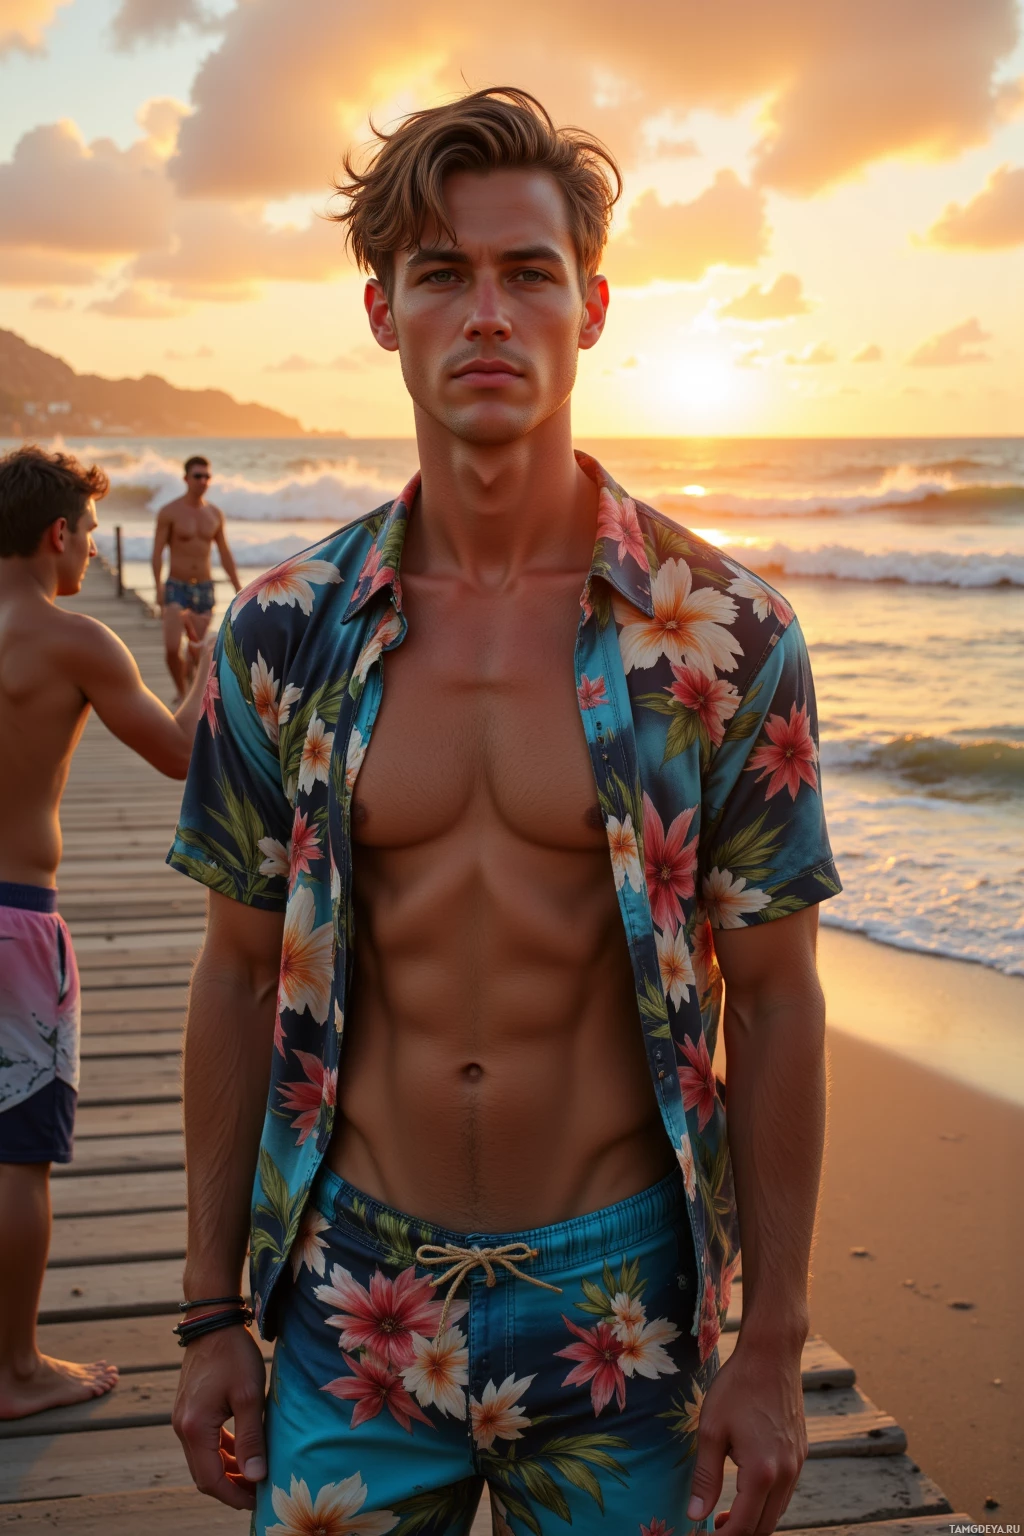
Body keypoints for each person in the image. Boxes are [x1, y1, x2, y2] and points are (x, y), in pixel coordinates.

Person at [169, 88, 840, 1533]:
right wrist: (208, 1311)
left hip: (622, 1306)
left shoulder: (718, 637)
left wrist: (774, 1342)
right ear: (380, 311)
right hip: (355, 1300)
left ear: (590, 307)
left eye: (527, 272)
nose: (488, 312)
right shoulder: (283, 637)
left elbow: (778, 1002)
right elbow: (232, 974)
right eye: (442, 274)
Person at [0, 445, 214, 1420]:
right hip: (16, 920)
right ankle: (12, 1370)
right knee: (17, 1151)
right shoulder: (76, 639)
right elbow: (177, 754)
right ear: (58, 535)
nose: (90, 545)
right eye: (85, 530)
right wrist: (211, 666)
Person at [152, 455, 241, 701]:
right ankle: (182, 693)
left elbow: (224, 553)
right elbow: (157, 552)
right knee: (171, 648)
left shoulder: (214, 514)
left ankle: (191, 691)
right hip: (175, 587)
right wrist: (157, 586)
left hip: (204, 588)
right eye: (197, 476)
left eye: (207, 476)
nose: (203, 481)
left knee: (196, 651)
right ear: (186, 479)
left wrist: (239, 588)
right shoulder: (169, 512)